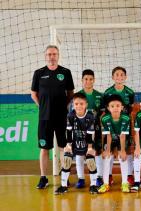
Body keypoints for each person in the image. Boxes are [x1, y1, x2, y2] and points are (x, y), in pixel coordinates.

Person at [31, 45, 74, 189]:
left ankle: (65, 176)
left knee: (63, 147)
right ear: (45, 56)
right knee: (44, 149)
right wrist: (41, 106)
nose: (52, 56)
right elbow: (33, 94)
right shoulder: (38, 73)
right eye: (49, 54)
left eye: (54, 54)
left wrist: (64, 106)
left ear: (58, 55)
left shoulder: (65, 72)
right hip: (44, 117)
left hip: (62, 116)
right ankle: (43, 178)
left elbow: (70, 93)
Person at [54, 93, 98, 194]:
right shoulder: (70, 115)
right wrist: (68, 145)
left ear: (86, 104)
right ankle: (63, 186)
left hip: (87, 142)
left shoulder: (90, 116)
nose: (79, 106)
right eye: (76, 104)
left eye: (81, 104)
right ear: (73, 104)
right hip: (74, 142)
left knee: (91, 162)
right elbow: (68, 132)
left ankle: (93, 185)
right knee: (67, 160)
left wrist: (90, 148)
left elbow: (90, 134)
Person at [103, 66, 135, 185]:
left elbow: (131, 108)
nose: (119, 77)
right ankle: (109, 176)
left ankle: (129, 175)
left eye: (122, 75)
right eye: (117, 74)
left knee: (126, 150)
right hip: (111, 125)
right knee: (110, 151)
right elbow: (105, 111)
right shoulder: (107, 93)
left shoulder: (130, 92)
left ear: (125, 77)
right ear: (113, 77)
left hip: (124, 125)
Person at [76, 69, 104, 188]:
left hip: (96, 129)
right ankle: (81, 178)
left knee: (97, 152)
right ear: (82, 80)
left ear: (94, 80)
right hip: (81, 129)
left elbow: (102, 114)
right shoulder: (78, 96)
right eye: (86, 79)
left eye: (90, 79)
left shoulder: (99, 95)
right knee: (80, 152)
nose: (88, 81)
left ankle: (99, 177)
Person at [98, 94, 131, 193]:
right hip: (111, 139)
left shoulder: (126, 118)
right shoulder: (105, 119)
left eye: (117, 106)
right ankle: (106, 184)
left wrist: (122, 151)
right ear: (108, 108)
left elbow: (122, 136)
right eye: (112, 106)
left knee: (123, 157)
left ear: (122, 107)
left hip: (122, 139)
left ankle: (125, 183)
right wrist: (107, 150)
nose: (115, 108)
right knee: (106, 158)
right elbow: (107, 135)